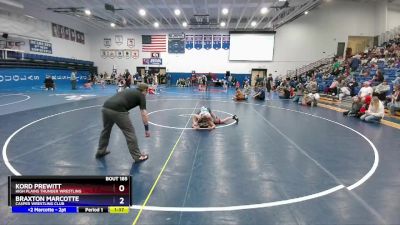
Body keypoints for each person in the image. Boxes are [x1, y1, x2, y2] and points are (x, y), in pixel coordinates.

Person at [96, 83, 150, 162]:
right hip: (118, 111)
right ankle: (137, 156)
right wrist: (147, 129)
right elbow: (144, 114)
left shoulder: (131, 90)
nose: (147, 93)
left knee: (106, 130)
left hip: (105, 107)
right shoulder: (141, 95)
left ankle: (101, 151)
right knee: (130, 132)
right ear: (145, 90)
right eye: (147, 91)